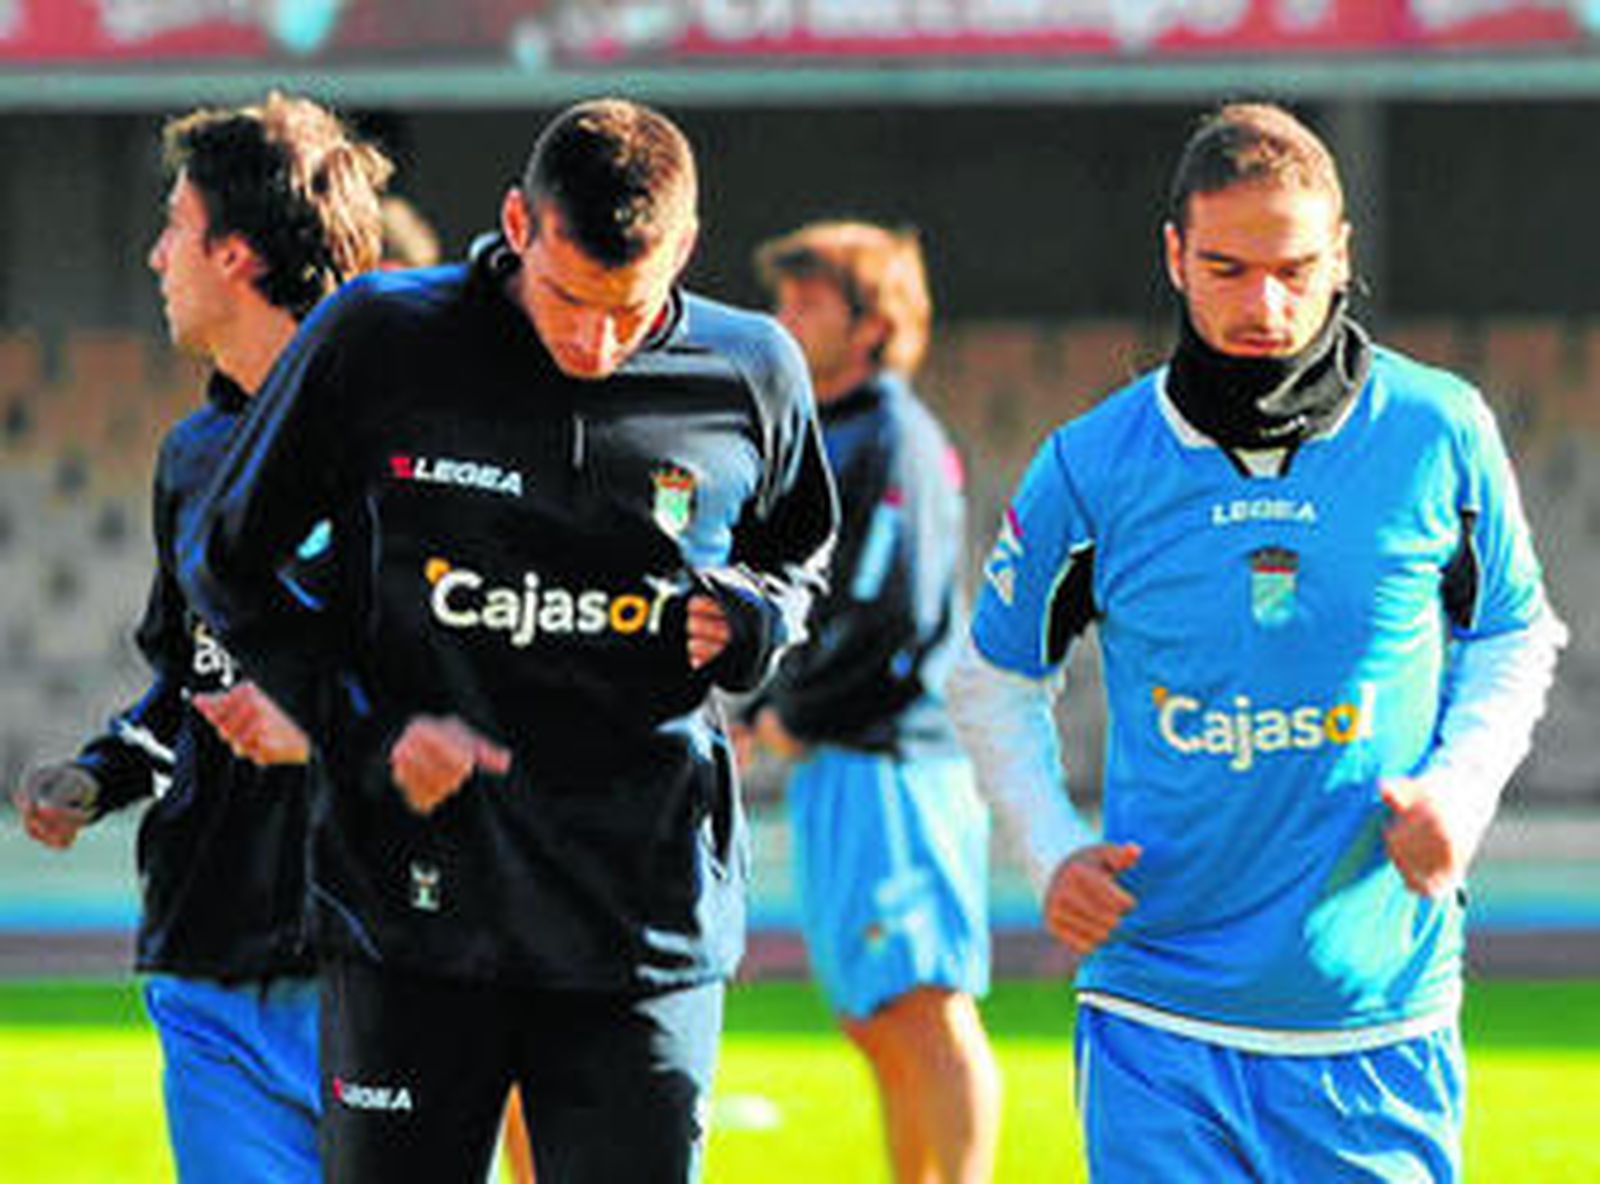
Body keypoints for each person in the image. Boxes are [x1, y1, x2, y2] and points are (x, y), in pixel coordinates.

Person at [177, 97, 837, 1182]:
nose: (595, 339)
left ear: (684, 247)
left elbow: (800, 552)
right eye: (570, 298)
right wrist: (368, 727)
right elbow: (227, 560)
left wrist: (761, 616)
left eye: (629, 307)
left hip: (642, 915)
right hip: (416, 911)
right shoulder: (381, 337)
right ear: (517, 225)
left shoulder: (754, 366)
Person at [950, 101, 1565, 1182]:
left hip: (1375, 1014)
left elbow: (1514, 633)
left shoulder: (1438, 430)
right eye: (1227, 268)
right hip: (1157, 1009)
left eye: (1292, 267)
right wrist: (1048, 847)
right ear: (1174, 255)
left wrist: (1458, 793)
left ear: (1339, 258)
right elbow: (993, 672)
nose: (1264, 305)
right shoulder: (1092, 465)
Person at [9, 93, 392, 1181]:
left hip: (381, 960)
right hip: (210, 957)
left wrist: (322, 728)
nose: (153, 253)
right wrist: (102, 769)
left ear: (234, 254)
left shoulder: (412, 447)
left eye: (173, 225)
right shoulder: (191, 455)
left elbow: (470, 684)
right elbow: (189, 681)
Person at [747, 220, 999, 1184]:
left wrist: (789, 714)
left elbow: (885, 609)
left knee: (925, 1002)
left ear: (872, 324)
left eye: (810, 303)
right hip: (844, 760)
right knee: (872, 1012)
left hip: (895, 760)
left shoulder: (890, 435)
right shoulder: (833, 435)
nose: (786, 320)